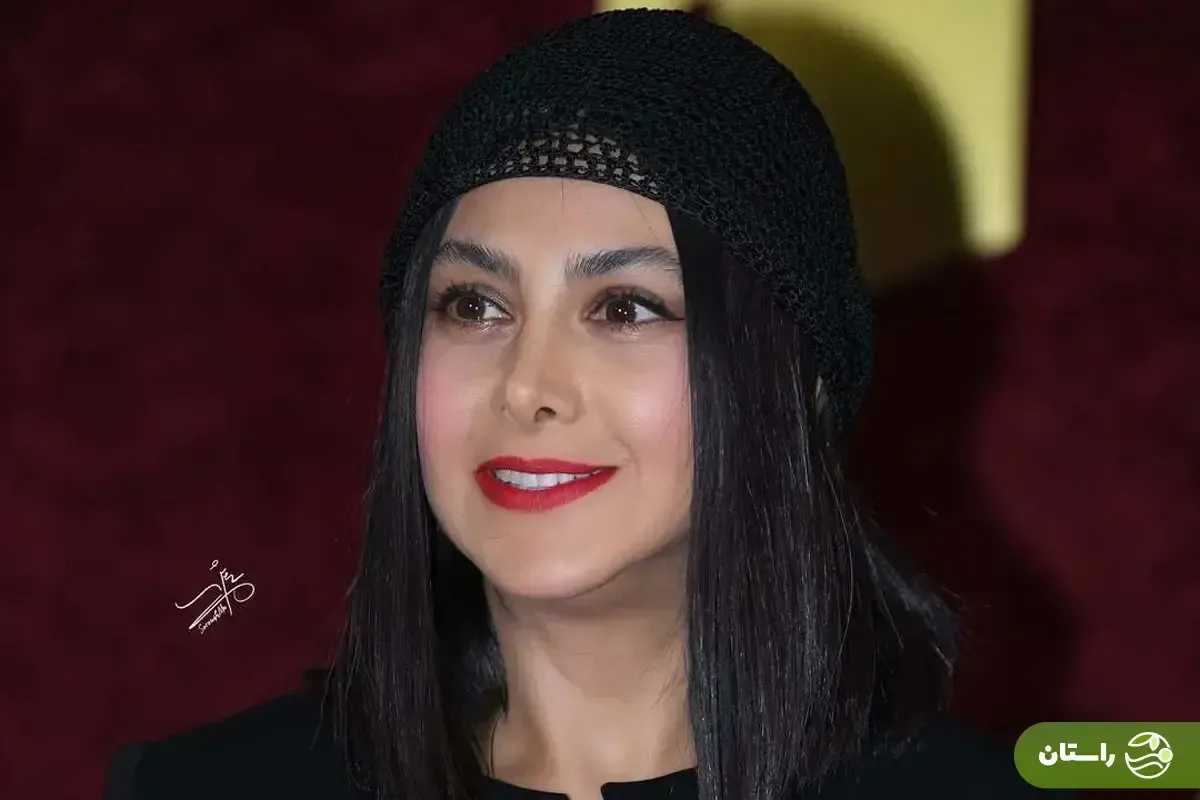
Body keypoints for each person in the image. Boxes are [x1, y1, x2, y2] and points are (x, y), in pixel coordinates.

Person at [106, 9, 1055, 800]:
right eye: (474, 306)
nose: (528, 384)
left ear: (794, 382)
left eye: (625, 308)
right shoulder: (205, 787)